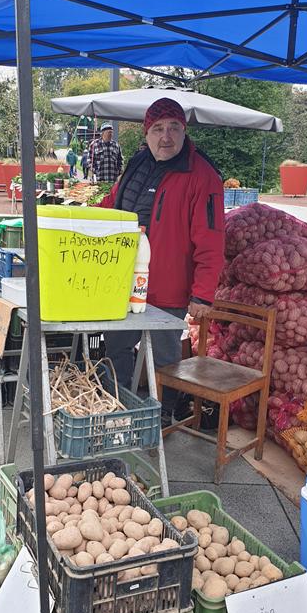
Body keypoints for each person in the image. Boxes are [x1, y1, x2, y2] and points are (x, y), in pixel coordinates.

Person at [101, 97, 224, 425]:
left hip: (168, 287)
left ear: (184, 132)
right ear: (146, 133)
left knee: (165, 359)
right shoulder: (138, 163)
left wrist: (203, 294)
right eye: (157, 129)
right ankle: (115, 410)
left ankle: (161, 418)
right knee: (116, 349)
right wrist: (83, 224)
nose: (165, 136)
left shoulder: (203, 175)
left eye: (174, 128)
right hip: (122, 281)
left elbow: (211, 238)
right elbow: (113, 203)